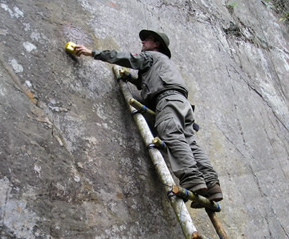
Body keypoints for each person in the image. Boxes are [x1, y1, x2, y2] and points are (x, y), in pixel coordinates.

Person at [74, 30, 223, 202]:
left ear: (156, 44)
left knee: (170, 133)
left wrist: (93, 53)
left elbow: (131, 59)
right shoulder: (163, 63)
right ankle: (212, 185)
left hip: (167, 100)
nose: (143, 41)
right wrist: (133, 79)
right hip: (182, 104)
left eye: (147, 39)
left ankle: (192, 178)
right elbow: (151, 81)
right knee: (190, 143)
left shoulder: (151, 56)